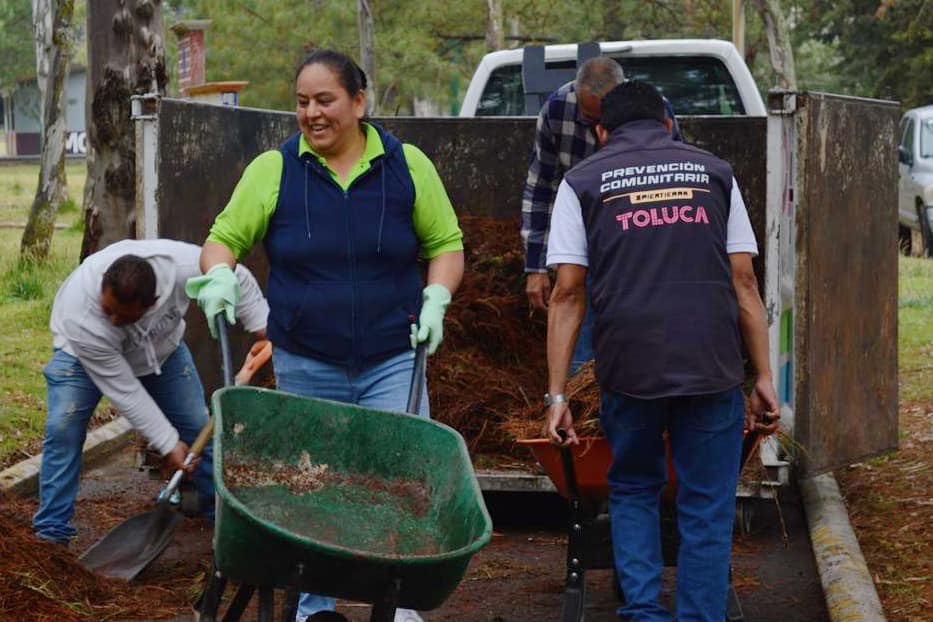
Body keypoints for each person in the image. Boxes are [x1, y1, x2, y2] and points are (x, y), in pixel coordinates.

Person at [187, 49, 463, 622]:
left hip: (393, 356)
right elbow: (223, 238)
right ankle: (314, 608)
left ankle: (402, 604)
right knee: (312, 485)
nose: (312, 113)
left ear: (359, 103)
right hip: (307, 360)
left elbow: (445, 244)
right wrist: (217, 272)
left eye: (325, 100)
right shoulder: (274, 170)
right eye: (302, 102)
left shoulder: (406, 165)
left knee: (399, 480)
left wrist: (437, 297)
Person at [543, 80, 779, 621]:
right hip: (712, 364)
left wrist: (557, 394)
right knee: (706, 503)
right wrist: (762, 375)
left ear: (602, 132)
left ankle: (644, 614)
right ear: (668, 124)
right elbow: (744, 282)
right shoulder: (716, 173)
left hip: (629, 365)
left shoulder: (581, 181)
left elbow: (567, 293)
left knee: (633, 489)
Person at [33, 239, 268, 545]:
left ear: (154, 302)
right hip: (80, 357)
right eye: (109, 311)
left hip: (163, 354)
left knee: (200, 428)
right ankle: (52, 534)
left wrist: (264, 329)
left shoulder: (184, 267)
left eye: (124, 317)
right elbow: (125, 391)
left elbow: (239, 278)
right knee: (63, 429)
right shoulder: (83, 313)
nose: (114, 321)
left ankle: (225, 523)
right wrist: (168, 443)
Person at [522, 57, 682, 374]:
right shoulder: (557, 109)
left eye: (604, 122)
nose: (598, 132)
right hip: (582, 236)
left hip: (640, 236)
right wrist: (535, 265)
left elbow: (677, 177)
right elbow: (540, 186)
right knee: (577, 316)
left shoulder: (653, 109)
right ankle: (579, 396)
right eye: (588, 119)